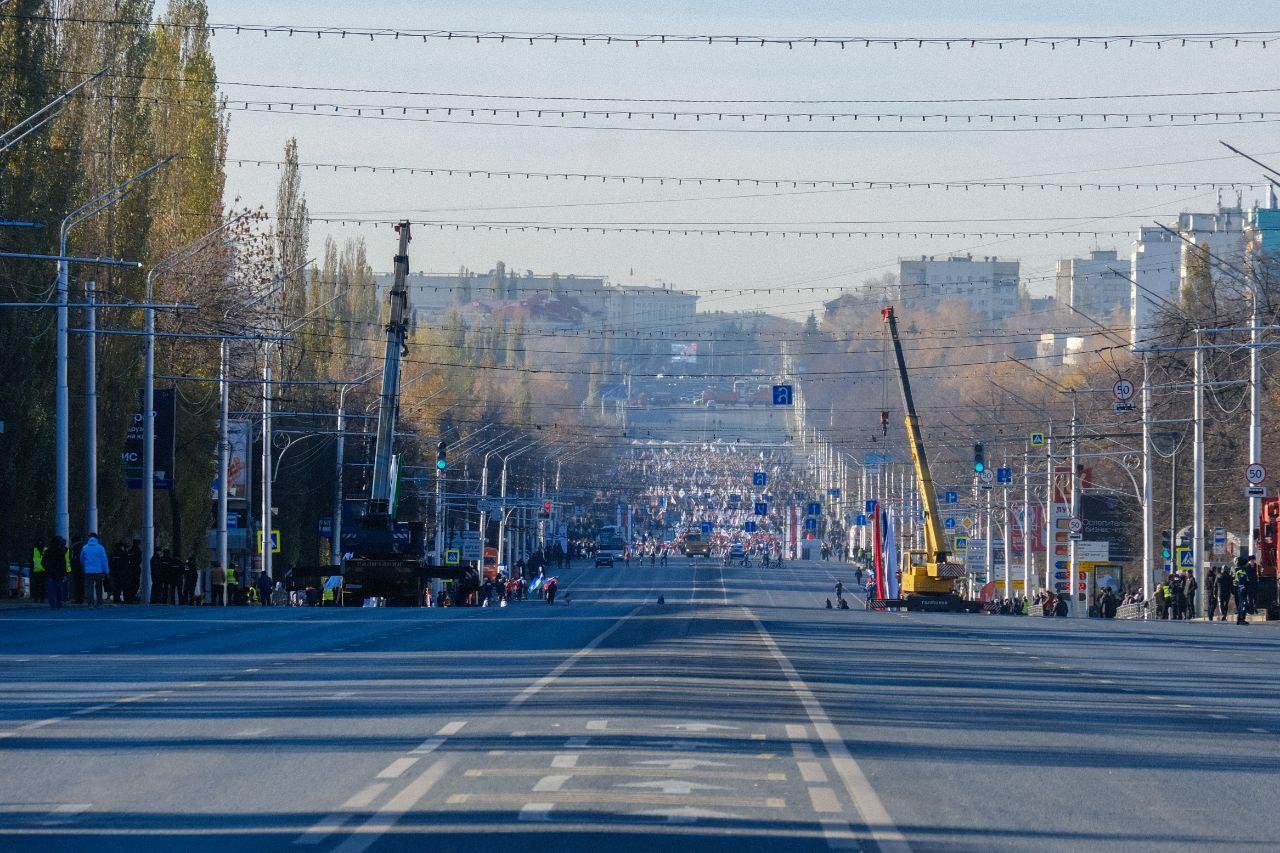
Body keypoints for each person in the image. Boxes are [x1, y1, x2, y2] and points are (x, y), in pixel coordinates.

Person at [80, 533, 109, 608]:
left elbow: (82, 560)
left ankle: (90, 603)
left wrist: (84, 568)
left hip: (88, 571)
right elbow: (104, 560)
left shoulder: (85, 548)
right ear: (97, 539)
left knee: (89, 587)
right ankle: (99, 603)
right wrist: (106, 571)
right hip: (99, 571)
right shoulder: (100, 548)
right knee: (99, 587)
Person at [45, 535, 67, 610]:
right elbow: (63, 563)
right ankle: (59, 604)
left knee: (51, 589)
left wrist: (47, 568)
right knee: (59, 589)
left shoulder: (48, 550)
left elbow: (43, 562)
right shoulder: (60, 551)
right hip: (59, 573)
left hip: (50, 573)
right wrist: (64, 573)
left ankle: (52, 604)